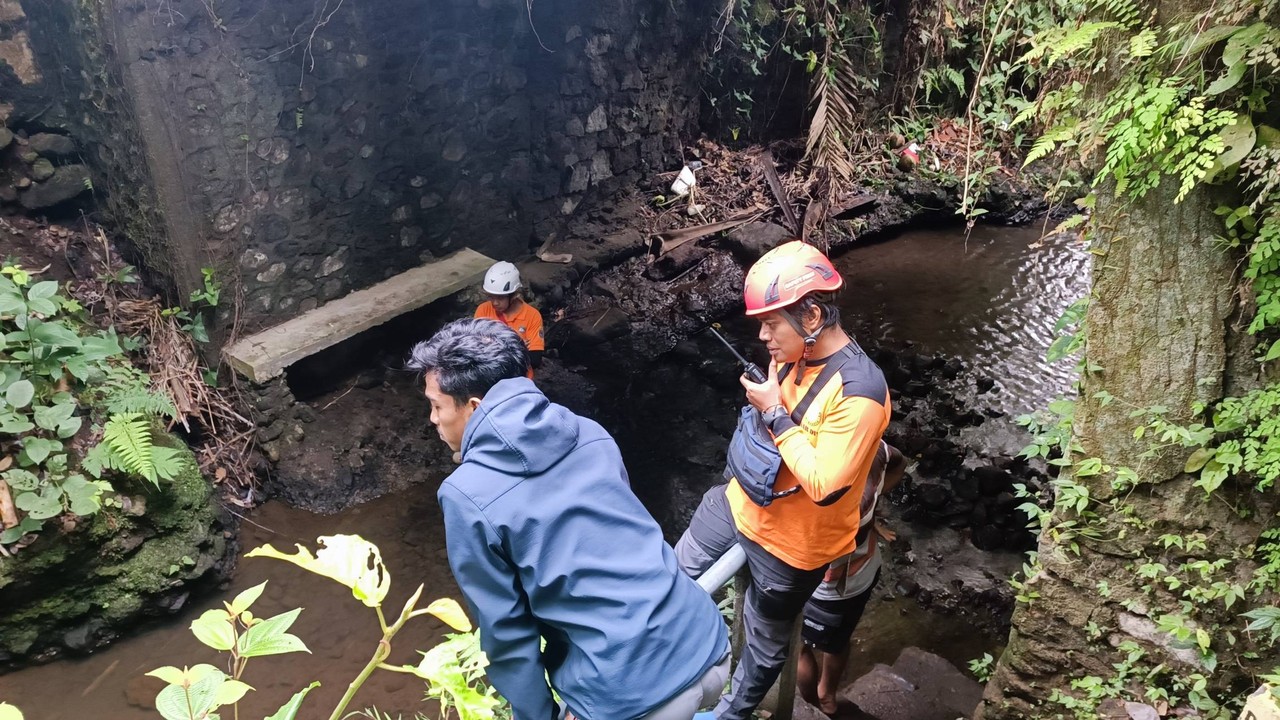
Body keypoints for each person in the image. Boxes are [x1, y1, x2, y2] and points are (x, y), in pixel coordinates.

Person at [408, 318, 730, 720]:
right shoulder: (587, 431)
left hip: (636, 692)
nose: (433, 419)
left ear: (473, 408)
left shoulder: (465, 494)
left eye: (437, 406)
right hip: (706, 643)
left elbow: (506, 632)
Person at [675, 240, 892, 720]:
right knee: (669, 580)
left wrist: (772, 410)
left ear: (811, 316)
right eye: (761, 325)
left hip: (794, 545)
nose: (765, 337)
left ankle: (729, 715)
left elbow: (825, 484)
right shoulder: (787, 356)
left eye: (772, 323)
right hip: (737, 502)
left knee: (764, 642)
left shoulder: (861, 391)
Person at [797, 441, 906, 717]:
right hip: (857, 575)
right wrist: (871, 513)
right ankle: (828, 697)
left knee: (798, 647)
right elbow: (899, 463)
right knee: (837, 641)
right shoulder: (873, 448)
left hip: (820, 585)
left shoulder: (803, 473)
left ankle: (811, 705)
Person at [474, 261, 545, 371]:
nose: (495, 303)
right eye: (491, 297)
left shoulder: (532, 316)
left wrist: (492, 345)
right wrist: (517, 347)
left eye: (500, 298)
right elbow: (475, 350)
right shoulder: (483, 310)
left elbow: (534, 359)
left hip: (518, 379)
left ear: (514, 295)